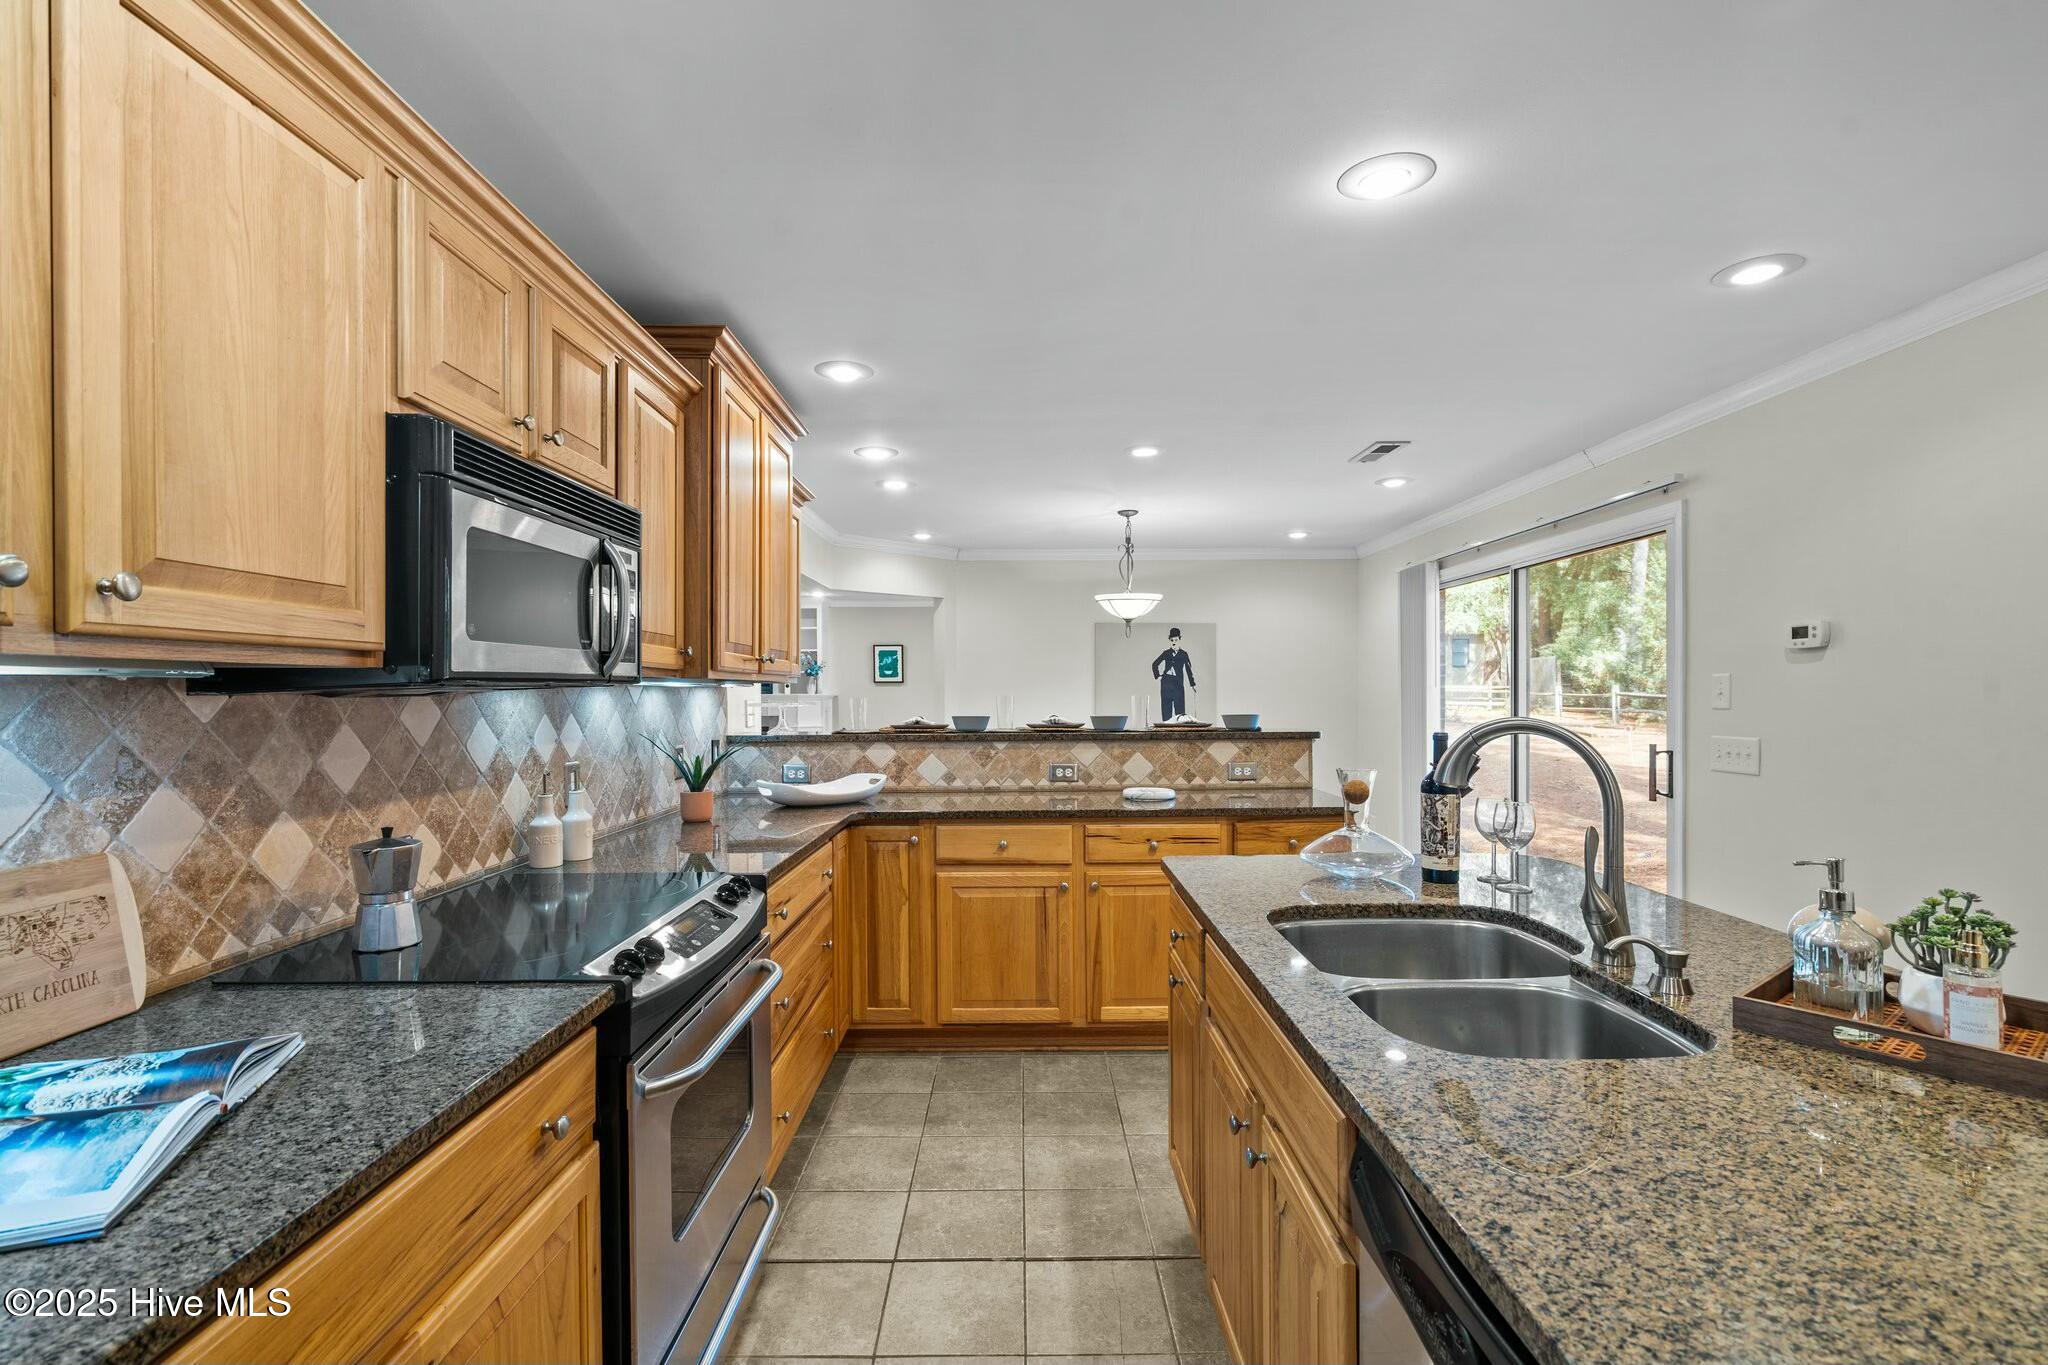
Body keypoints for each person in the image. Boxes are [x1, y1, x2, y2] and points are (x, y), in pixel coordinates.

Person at [1151, 627, 1197, 719]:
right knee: (1166, 710)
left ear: (1179, 639)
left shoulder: (1183, 654)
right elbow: (1155, 664)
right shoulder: (1166, 653)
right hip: (1166, 684)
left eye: (1176, 639)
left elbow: (1188, 669)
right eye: (1172, 640)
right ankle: (1166, 732)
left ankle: (1179, 731)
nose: (1174, 641)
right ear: (1169, 640)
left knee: (1180, 713)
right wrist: (1158, 676)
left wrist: (1192, 684)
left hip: (1178, 685)